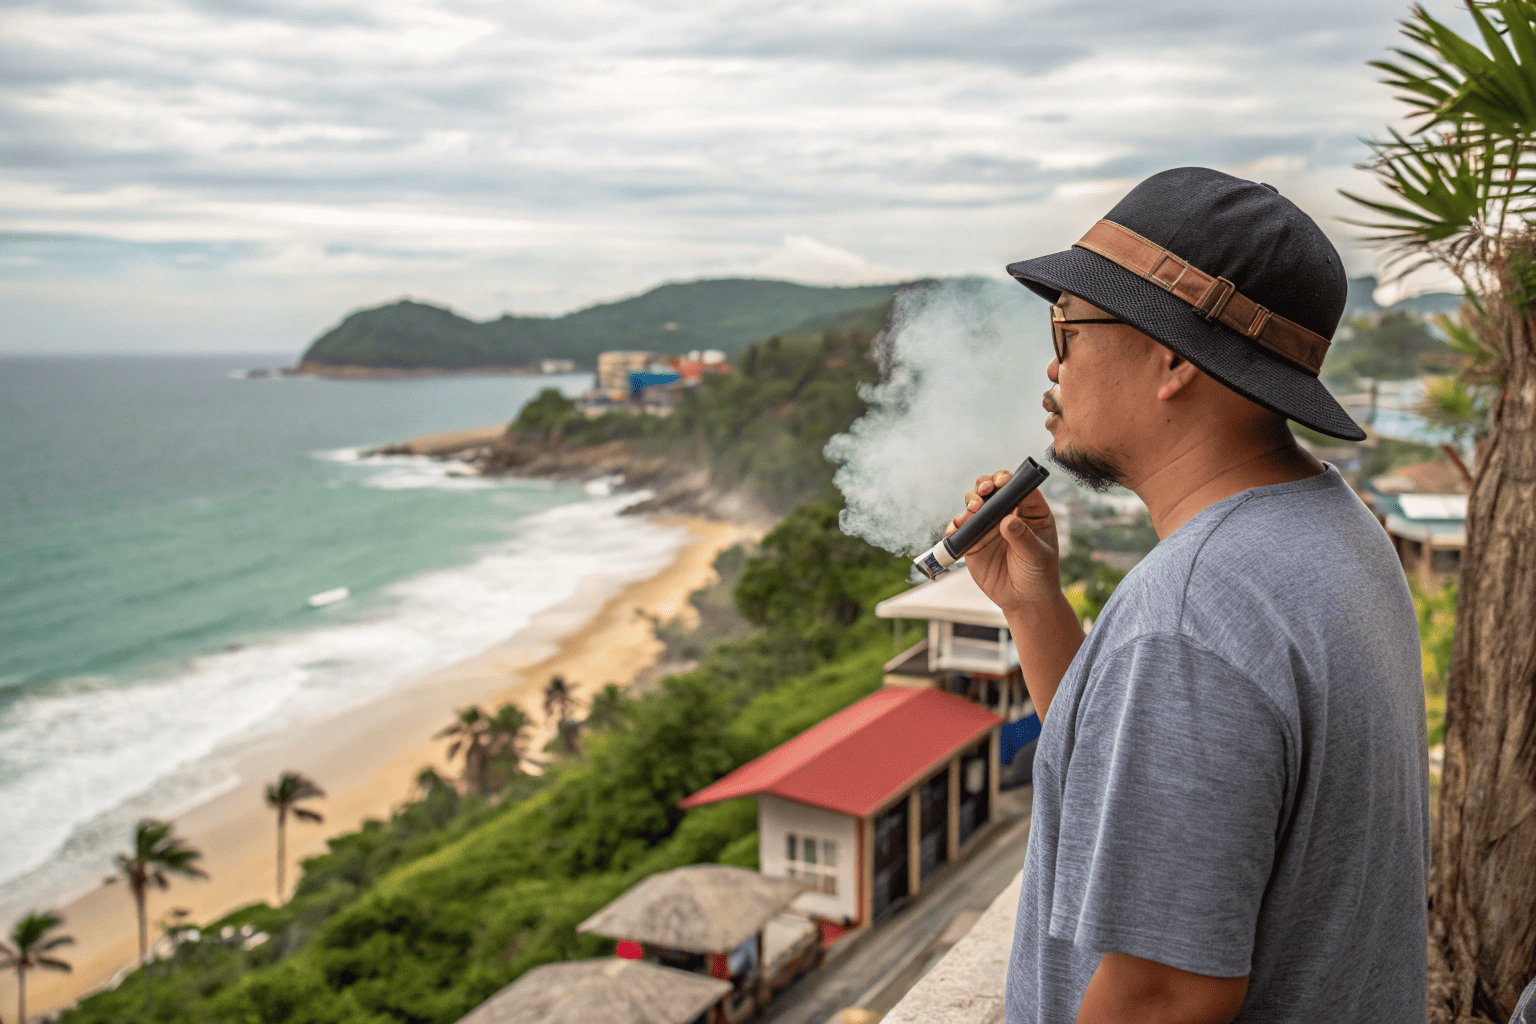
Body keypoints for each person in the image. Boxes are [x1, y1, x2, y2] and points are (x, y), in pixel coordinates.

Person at [949, 167, 1429, 1023]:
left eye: (1067, 326)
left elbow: (1165, 996)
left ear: (1171, 357)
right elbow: (1148, 788)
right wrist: (1033, 606)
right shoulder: (1333, 528)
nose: (1053, 364)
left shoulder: (1190, 611)